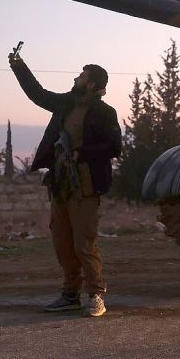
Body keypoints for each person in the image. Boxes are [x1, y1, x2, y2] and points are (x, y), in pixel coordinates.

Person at [8, 49, 121, 317]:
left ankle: (95, 295)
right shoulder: (67, 103)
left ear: (92, 83)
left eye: (82, 75)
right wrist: (19, 67)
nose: (77, 77)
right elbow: (38, 94)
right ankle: (70, 295)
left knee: (84, 241)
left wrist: (83, 153)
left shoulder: (105, 112)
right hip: (60, 182)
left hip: (86, 184)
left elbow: (115, 147)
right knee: (62, 240)